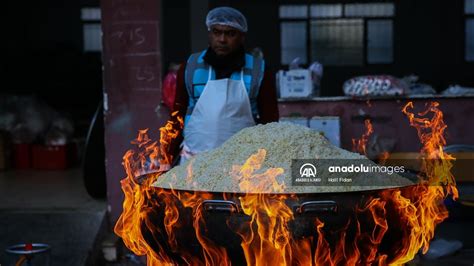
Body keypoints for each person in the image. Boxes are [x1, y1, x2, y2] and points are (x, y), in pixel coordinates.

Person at [164, 6, 279, 168]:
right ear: (209, 34)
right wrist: (166, 156)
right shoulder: (190, 66)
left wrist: (269, 161)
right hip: (194, 164)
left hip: (243, 166)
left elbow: (270, 121)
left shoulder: (259, 70)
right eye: (216, 32)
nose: (222, 39)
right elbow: (178, 116)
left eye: (230, 34)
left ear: (242, 37)